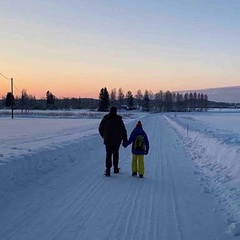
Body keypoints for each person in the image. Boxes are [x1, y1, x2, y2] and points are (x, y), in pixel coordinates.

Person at [99, 107, 128, 177]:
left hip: (108, 140)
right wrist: (124, 139)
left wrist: (104, 136)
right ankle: (115, 168)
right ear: (116, 111)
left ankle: (108, 170)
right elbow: (123, 130)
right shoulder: (119, 119)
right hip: (117, 140)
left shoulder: (105, 119)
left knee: (108, 155)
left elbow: (100, 129)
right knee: (115, 154)